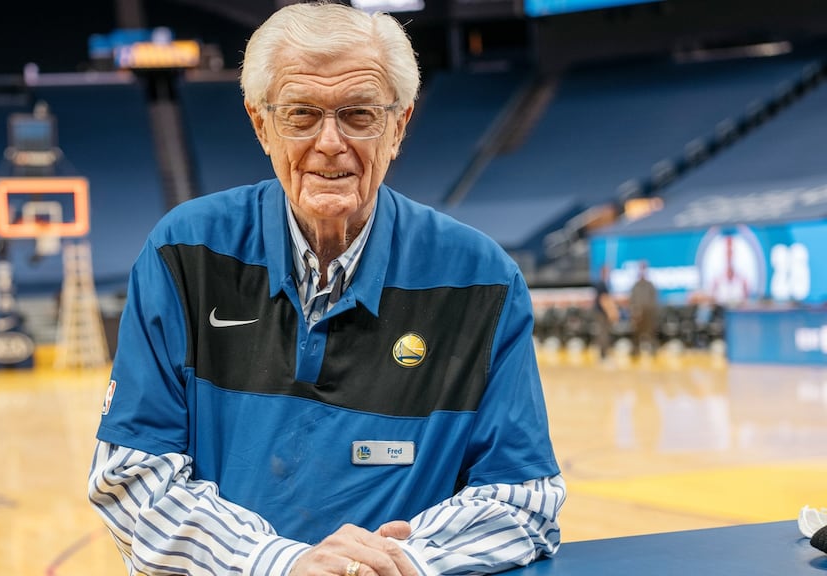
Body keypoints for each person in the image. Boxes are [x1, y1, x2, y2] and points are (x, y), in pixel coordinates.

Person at [88, 3, 565, 575]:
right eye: (301, 114)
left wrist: (405, 559)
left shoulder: (483, 278)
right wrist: (279, 564)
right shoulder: (184, 252)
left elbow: (524, 499)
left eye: (359, 113)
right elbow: (131, 477)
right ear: (262, 124)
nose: (330, 142)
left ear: (400, 124)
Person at [628, 261, 659, 357]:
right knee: (637, 333)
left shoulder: (650, 285)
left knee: (650, 332)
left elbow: (654, 299)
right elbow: (632, 300)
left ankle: (653, 351)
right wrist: (634, 311)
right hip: (638, 314)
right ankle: (635, 351)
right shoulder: (635, 286)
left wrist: (652, 312)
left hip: (648, 313)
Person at [592, 264, 619, 361]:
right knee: (603, 334)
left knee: (603, 334)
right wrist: (611, 313)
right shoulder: (601, 284)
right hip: (601, 313)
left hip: (602, 313)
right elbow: (604, 300)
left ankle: (603, 355)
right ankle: (602, 356)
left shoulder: (604, 284)